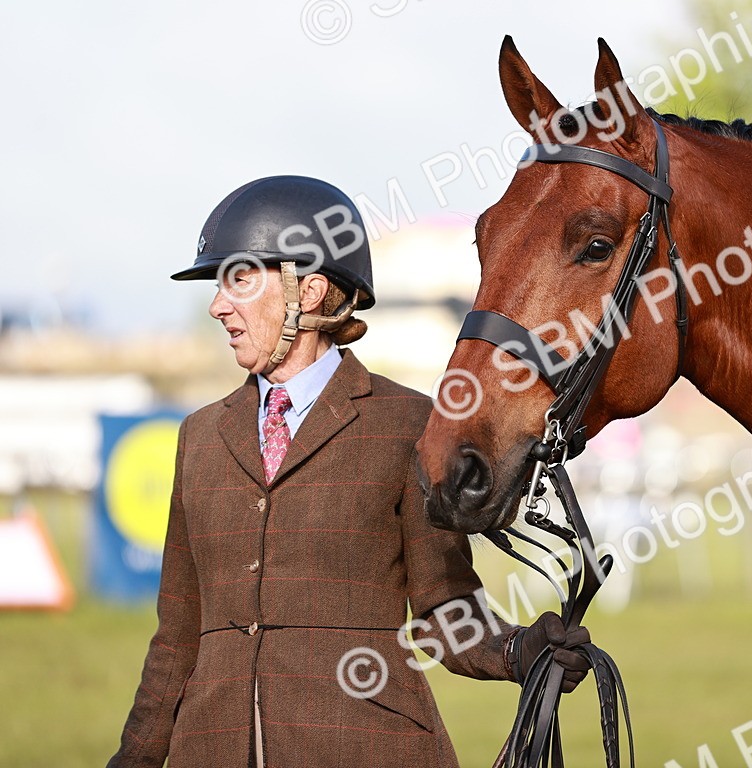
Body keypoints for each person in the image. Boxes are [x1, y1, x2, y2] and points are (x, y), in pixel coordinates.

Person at [108, 176, 589, 768]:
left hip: (364, 747)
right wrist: (135, 758)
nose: (217, 306)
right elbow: (177, 636)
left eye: (238, 279)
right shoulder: (199, 437)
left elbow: (444, 608)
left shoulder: (411, 423)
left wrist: (518, 652)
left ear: (307, 291)